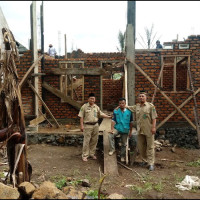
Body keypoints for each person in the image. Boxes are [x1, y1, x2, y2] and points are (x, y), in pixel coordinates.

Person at [126, 91, 158, 171]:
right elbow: (127, 107)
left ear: (146, 97)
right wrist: (119, 107)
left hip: (148, 129)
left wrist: (153, 127)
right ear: (138, 98)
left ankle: (151, 163)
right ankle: (144, 160)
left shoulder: (150, 106)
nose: (141, 97)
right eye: (140, 96)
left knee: (150, 146)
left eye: (143, 96)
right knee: (141, 146)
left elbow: (154, 118)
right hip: (140, 130)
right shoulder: (136, 106)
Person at [78, 93, 112, 162]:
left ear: (95, 99)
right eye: (91, 98)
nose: (92, 100)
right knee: (87, 141)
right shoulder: (84, 107)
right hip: (87, 125)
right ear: (88, 99)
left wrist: (108, 117)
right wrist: (81, 126)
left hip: (96, 125)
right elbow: (81, 116)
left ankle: (92, 154)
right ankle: (85, 155)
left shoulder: (96, 107)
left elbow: (101, 114)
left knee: (94, 140)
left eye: (93, 99)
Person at [108, 98, 133, 162]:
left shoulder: (129, 112)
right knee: (110, 135)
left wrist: (130, 132)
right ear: (118, 104)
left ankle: (122, 156)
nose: (121, 104)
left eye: (123, 103)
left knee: (124, 143)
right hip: (117, 128)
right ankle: (112, 150)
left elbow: (131, 122)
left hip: (125, 130)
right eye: (120, 103)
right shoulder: (116, 111)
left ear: (125, 104)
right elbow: (113, 120)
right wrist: (111, 129)